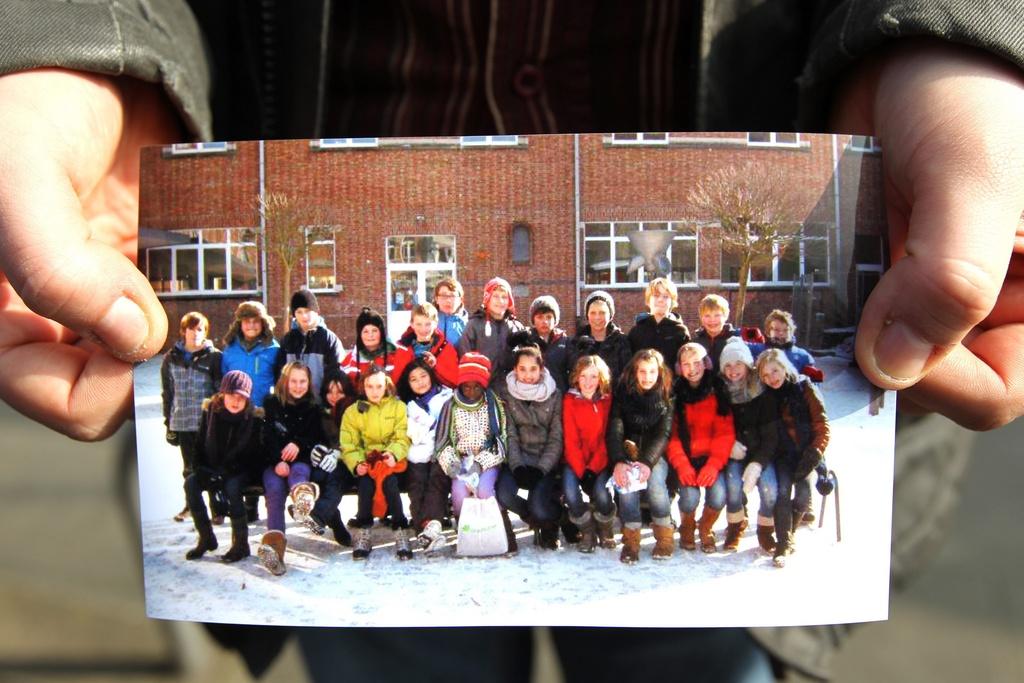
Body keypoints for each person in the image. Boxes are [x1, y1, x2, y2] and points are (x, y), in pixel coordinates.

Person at [4, 5, 1024, 681]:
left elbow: (662, 416)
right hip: (430, 488)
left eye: (543, 330)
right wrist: (77, 57)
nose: (539, 339)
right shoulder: (399, 368)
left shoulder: (635, 353)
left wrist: (953, 45)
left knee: (699, 615)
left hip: (633, 495)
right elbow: (395, 413)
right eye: (516, 325)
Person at [756, 348, 830, 568]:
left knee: (803, 495)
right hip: (783, 455)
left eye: (775, 371)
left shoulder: (804, 387)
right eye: (766, 376)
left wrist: (815, 452)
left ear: (784, 367)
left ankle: (790, 533)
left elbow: (821, 424)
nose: (772, 378)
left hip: (806, 452)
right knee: (782, 492)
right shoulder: (765, 396)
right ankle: (783, 544)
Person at [434, 352, 514, 550]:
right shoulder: (450, 406)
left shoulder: (493, 404)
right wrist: (453, 465)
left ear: (484, 385)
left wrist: (480, 464)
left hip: (486, 461)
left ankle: (499, 528)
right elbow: (442, 442)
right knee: (459, 492)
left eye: (476, 386)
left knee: (485, 491)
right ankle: (465, 529)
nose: (471, 391)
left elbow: (500, 440)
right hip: (461, 462)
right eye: (466, 386)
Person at [182, 370, 261, 564]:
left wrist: (223, 475)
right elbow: (199, 445)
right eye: (232, 395)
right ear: (222, 394)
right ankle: (206, 537)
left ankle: (241, 544)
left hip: (240, 470)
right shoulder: (211, 412)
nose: (236, 401)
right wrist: (202, 470)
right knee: (191, 484)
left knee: (233, 488)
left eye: (242, 397)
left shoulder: (253, 418)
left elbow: (253, 457)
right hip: (212, 468)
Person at [665, 343, 736, 555]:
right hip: (686, 459)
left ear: (705, 363)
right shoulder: (675, 393)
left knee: (718, 495)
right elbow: (672, 435)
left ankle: (706, 527)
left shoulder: (717, 390)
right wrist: (682, 464)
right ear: (679, 368)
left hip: (711, 459)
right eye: (686, 364)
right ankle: (687, 527)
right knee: (689, 498)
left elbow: (725, 434)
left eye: (696, 362)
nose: (692, 368)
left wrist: (714, 466)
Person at [607, 348, 674, 564]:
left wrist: (647, 462)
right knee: (627, 485)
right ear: (634, 372)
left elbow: (663, 433)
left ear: (659, 373)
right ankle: (631, 540)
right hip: (627, 451)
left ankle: (664, 534)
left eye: (652, 372)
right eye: (642, 372)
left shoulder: (666, 395)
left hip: (654, 454)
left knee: (655, 484)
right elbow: (615, 426)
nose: (647, 377)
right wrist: (618, 460)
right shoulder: (623, 394)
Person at [494, 344, 564, 550]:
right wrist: (517, 466)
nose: (527, 375)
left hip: (545, 460)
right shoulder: (508, 393)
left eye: (533, 369)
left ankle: (555, 521)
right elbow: (510, 433)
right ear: (515, 370)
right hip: (519, 458)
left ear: (541, 369)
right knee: (504, 495)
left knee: (541, 508)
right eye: (522, 369)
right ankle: (533, 519)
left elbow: (556, 437)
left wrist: (542, 468)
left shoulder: (554, 394)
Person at [259, 361, 324, 576]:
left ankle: (302, 497)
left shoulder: (313, 407)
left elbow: (314, 436)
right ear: (285, 382)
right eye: (293, 381)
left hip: (300, 462)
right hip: (274, 464)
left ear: (309, 382)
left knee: (299, 472)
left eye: (302, 381)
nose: (298, 386)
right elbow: (267, 436)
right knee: (275, 492)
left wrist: (298, 444)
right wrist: (277, 460)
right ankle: (275, 549)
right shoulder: (272, 403)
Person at [339, 366, 412, 560]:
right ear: (363, 386)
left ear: (386, 385)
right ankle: (364, 529)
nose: (374, 391)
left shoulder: (398, 407)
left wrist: (393, 454)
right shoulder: (353, 412)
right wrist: (358, 463)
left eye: (379, 386)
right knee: (364, 484)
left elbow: (402, 437)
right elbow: (349, 443)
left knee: (390, 483)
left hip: (391, 461)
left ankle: (400, 528)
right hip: (367, 460)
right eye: (370, 386)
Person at [719, 338, 780, 555]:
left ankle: (765, 529)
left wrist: (757, 463)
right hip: (734, 451)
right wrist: (728, 444)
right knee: (733, 484)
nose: (733, 370)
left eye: (738, 364)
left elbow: (772, 435)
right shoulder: (721, 391)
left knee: (770, 488)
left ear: (747, 364)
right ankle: (736, 525)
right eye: (727, 365)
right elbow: (716, 426)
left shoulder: (762, 391)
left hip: (761, 452)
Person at [160, 311, 223, 523]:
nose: (195, 333)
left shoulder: (214, 357)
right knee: (189, 469)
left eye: (200, 329)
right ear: (183, 331)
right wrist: (169, 424)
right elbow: (168, 393)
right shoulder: (171, 358)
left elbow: (219, 392)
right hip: (182, 422)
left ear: (205, 332)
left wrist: (218, 421)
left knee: (211, 465)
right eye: (191, 328)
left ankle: (217, 508)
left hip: (207, 424)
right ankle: (191, 506)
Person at [396, 357, 454, 553]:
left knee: (436, 482)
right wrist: (428, 430)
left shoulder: (446, 396)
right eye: (414, 379)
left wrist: (429, 432)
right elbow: (410, 432)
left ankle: (430, 526)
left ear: (431, 376)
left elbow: (450, 427)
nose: (420, 382)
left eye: (423, 376)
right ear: (407, 383)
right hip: (417, 453)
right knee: (417, 485)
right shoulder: (405, 405)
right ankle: (423, 528)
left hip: (442, 451)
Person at [561, 354, 616, 553]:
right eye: (583, 376)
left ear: (601, 379)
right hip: (575, 459)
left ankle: (605, 527)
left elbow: (606, 438)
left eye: (593, 377)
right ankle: (587, 530)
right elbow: (571, 438)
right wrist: (580, 469)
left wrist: (593, 468)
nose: (588, 382)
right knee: (570, 491)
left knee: (601, 493)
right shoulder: (570, 400)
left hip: (600, 460)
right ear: (577, 378)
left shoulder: (607, 401)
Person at [275, 288, 345, 397]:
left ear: (316, 312)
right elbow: (280, 373)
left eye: (307, 311)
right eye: (299, 312)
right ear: (294, 315)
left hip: (320, 404)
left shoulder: (328, 339)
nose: (304, 316)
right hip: (292, 403)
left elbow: (336, 373)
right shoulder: (288, 340)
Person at [458, 277, 526, 383]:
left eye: (504, 297)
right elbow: (465, 356)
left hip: (511, 388)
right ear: (487, 298)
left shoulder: (516, 327)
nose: (500, 301)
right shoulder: (474, 326)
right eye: (496, 296)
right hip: (483, 386)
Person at [569, 290, 633, 389]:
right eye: (593, 313)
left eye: (602, 313)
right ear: (587, 315)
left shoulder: (622, 342)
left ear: (610, 315)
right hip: (585, 401)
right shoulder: (577, 342)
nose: (597, 317)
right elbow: (572, 375)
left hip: (614, 400)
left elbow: (628, 377)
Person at [626, 277, 691, 375]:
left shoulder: (680, 332)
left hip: (672, 388)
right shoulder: (636, 332)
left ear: (672, 302)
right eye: (656, 295)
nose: (661, 300)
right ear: (648, 301)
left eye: (665, 296)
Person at [390, 302, 460, 389]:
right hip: (409, 397)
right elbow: (396, 381)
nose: (423, 329)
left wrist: (436, 365)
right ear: (412, 324)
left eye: (428, 324)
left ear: (435, 323)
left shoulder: (445, 348)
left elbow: (455, 381)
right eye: (419, 324)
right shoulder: (403, 348)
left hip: (438, 397)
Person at [521, 295, 571, 394]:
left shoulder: (565, 341)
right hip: (532, 396)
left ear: (555, 320)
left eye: (549, 317)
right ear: (533, 320)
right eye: (540, 317)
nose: (545, 321)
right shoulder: (525, 341)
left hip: (558, 395)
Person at [340, 307, 396, 394]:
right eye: (365, 331)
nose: (370, 335)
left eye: (374, 330)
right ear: (360, 335)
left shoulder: (394, 357)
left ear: (381, 333)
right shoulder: (349, 361)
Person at [692, 294, 742, 373]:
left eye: (717, 315)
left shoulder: (736, 340)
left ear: (725, 316)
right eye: (707, 316)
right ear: (701, 318)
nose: (712, 320)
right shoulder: (695, 343)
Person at [432, 276, 469, 351]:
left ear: (461, 300)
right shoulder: (427, 320)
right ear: (436, 299)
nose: (448, 300)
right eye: (443, 295)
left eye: (452, 296)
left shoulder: (468, 325)